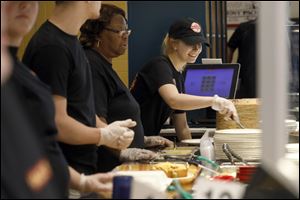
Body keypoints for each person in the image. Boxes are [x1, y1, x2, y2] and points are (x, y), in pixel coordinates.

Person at [2, 1, 115, 198]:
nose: (25, 6)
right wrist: (103, 136)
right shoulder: (51, 47)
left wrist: (83, 182)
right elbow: (58, 124)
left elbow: (43, 145)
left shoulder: (21, 74)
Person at [79, 4, 173, 172]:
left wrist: (142, 140)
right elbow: (97, 123)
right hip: (107, 169)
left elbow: (116, 113)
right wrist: (124, 152)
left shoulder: (104, 65)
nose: (125, 37)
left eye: (127, 32)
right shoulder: (92, 66)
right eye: (120, 32)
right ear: (98, 33)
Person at [130, 17, 240, 139]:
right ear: (174, 43)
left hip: (144, 141)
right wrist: (215, 101)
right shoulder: (159, 65)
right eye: (190, 43)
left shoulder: (178, 76)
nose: (197, 49)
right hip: (126, 142)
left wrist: (193, 154)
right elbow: (174, 100)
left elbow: (182, 127)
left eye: (199, 44)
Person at [227, 19, 257, 98]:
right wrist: (226, 71)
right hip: (246, 76)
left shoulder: (282, 27)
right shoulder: (244, 28)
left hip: (270, 75)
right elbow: (230, 48)